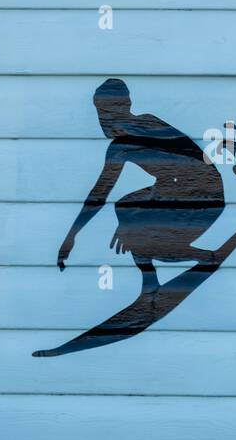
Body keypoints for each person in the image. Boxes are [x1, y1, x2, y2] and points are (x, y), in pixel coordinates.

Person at [56, 78, 225, 285]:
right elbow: (99, 194)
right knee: (124, 208)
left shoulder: (147, 125)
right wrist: (72, 236)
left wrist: (135, 222)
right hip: (180, 192)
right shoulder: (119, 148)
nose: (103, 120)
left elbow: (189, 169)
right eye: (100, 112)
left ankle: (204, 257)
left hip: (205, 196)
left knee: (135, 230)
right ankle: (150, 282)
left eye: (108, 111)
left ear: (126, 106)